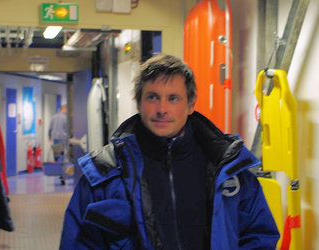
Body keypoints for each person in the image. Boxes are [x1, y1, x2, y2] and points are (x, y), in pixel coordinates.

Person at [59, 54, 279, 250]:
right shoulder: (103, 174)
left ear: (191, 104)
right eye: (152, 97)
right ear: (139, 103)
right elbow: (79, 242)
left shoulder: (228, 168)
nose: (162, 109)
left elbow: (259, 235)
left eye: (173, 98)